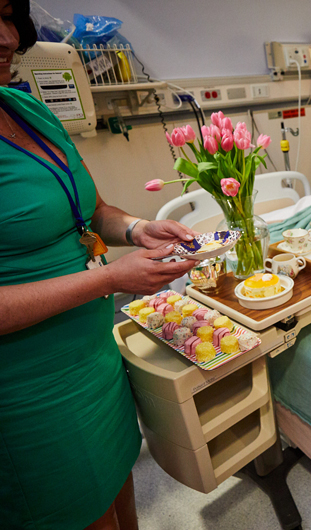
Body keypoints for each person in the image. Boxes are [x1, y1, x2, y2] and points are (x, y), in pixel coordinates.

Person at [0, 1, 197, 528]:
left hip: (94, 360)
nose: (2, 37)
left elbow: (90, 207)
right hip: (29, 388)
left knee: (117, 488)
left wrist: (137, 229)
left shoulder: (28, 109)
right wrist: (110, 278)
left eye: (6, 16)